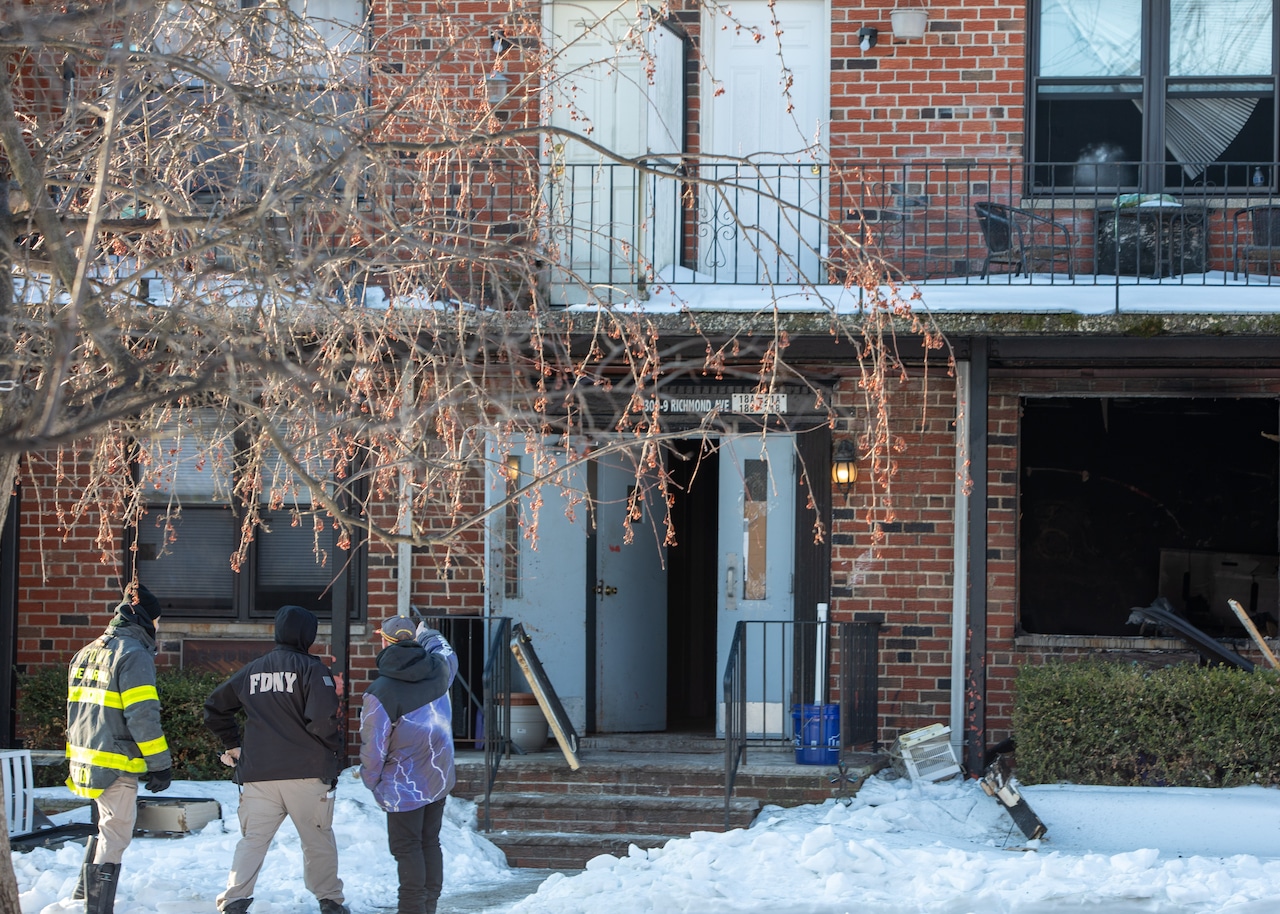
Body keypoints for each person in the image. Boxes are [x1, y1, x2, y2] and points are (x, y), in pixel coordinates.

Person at [203, 604, 349, 914]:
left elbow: (215, 706)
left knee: (253, 841)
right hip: (306, 774)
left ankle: (234, 901)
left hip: (258, 774)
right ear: (306, 635)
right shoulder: (312, 670)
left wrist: (233, 744)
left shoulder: (253, 670)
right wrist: (334, 752)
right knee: (317, 840)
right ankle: (330, 902)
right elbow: (322, 721)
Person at [65, 583, 172, 914]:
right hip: (116, 764)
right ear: (142, 618)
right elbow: (142, 717)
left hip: (87, 759)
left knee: (104, 826)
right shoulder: (133, 655)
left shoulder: (87, 651)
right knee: (115, 834)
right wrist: (159, 764)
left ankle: (84, 895)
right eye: (155, 619)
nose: (157, 626)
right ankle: (96, 908)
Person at [360, 616, 458, 914]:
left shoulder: (380, 692)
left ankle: (412, 909)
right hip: (437, 777)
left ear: (384, 641)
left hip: (402, 785)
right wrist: (427, 633)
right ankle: (428, 906)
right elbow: (447, 650)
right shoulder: (440, 670)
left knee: (407, 848)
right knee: (430, 842)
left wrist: (370, 780)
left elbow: (373, 747)